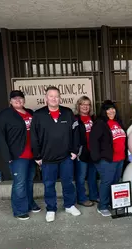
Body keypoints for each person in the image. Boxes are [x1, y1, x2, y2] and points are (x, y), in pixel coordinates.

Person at [30, 86, 81, 222]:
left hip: (66, 157)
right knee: (49, 185)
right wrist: (37, 156)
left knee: (68, 183)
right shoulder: (38, 115)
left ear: (60, 98)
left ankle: (69, 205)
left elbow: (76, 133)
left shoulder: (67, 112)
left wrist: (75, 151)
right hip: (47, 158)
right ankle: (51, 208)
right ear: (46, 98)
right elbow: (33, 137)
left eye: (56, 96)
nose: (54, 98)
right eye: (51, 96)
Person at [0, 90, 40, 220]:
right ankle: (20, 210)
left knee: (30, 181)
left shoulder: (30, 113)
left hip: (32, 155)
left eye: (20, 98)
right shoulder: (4, 115)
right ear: (10, 101)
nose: (18, 101)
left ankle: (30, 203)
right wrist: (7, 155)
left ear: (24, 100)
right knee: (19, 183)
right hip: (17, 156)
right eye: (15, 99)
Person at [90, 100, 126, 217]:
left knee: (115, 182)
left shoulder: (117, 122)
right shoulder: (100, 123)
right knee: (107, 182)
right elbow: (94, 141)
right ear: (104, 111)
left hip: (120, 159)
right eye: (108, 109)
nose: (111, 111)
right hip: (107, 160)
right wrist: (97, 158)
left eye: (113, 108)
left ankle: (112, 203)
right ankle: (103, 206)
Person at [74, 96, 98, 207]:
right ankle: (82, 198)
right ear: (78, 106)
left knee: (92, 175)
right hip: (81, 152)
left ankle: (94, 196)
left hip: (93, 152)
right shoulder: (75, 119)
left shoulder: (93, 118)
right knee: (81, 176)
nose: (85, 106)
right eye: (82, 104)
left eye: (87, 104)